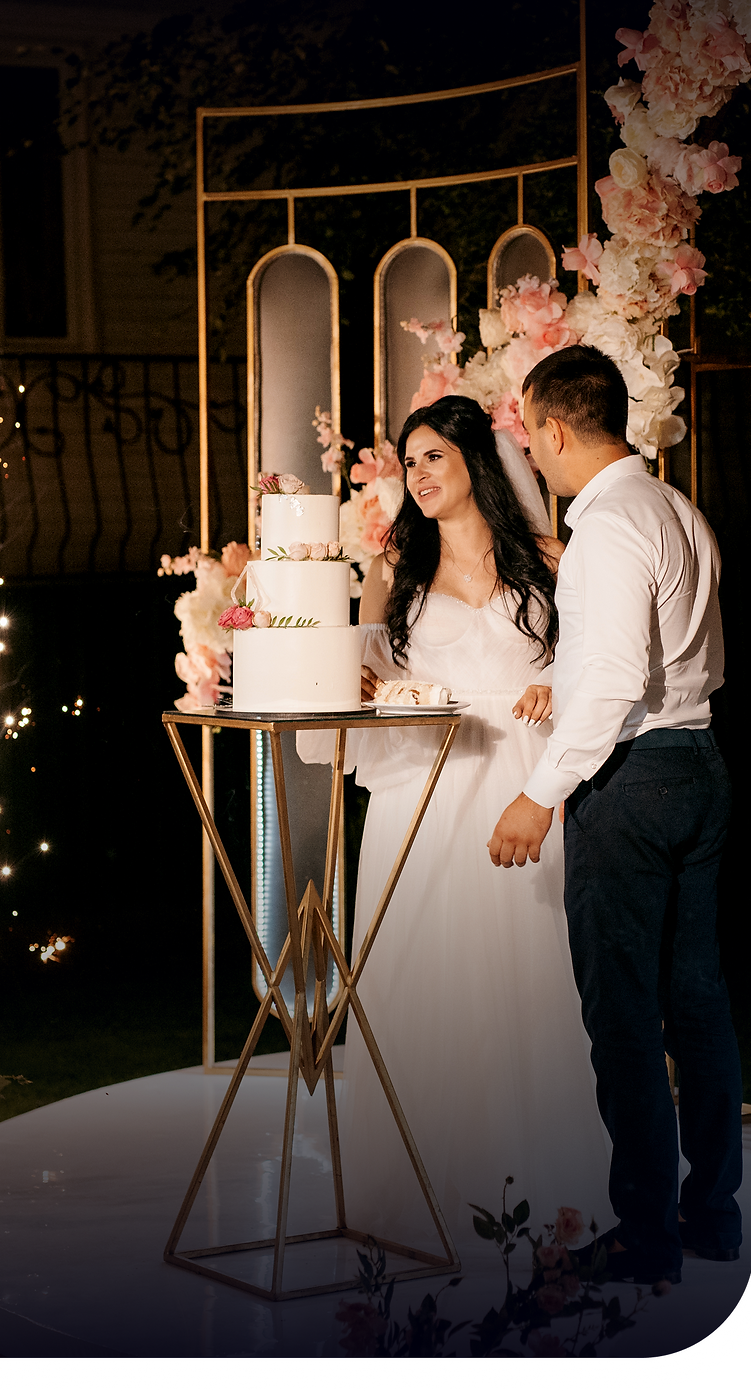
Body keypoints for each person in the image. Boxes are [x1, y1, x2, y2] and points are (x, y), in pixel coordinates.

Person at [299, 395, 614, 1258]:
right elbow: (363, 683)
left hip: (524, 781)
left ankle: (548, 1190)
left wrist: (566, 685)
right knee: (428, 975)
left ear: (478, 459)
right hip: (427, 794)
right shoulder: (392, 573)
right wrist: (357, 685)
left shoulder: (553, 559)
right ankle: (424, 1188)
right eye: (411, 461)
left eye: (434, 456)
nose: (421, 475)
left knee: (532, 977)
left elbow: (609, 662)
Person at [489, 347, 743, 1287]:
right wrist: (558, 680)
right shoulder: (676, 507)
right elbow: (671, 650)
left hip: (631, 782)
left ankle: (646, 1237)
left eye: (532, 437)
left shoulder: (605, 528)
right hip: (700, 764)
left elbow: (611, 683)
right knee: (701, 1003)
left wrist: (538, 794)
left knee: (626, 1017)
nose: (536, 457)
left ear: (555, 429)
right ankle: (711, 1215)